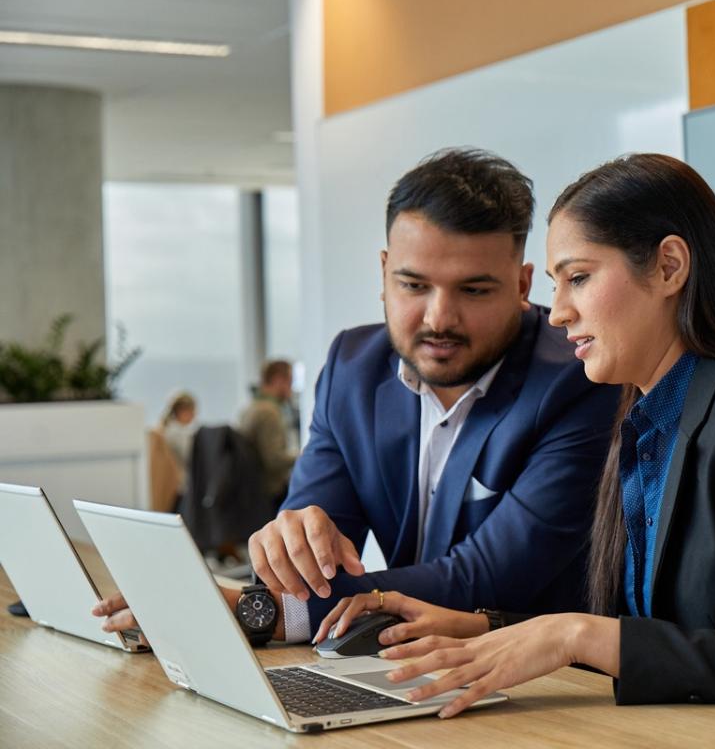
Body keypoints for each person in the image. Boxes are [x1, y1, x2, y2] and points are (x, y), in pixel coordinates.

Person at [318, 154, 715, 748]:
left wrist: (575, 633)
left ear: (669, 267)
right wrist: (488, 628)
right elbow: (661, 628)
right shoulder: (642, 410)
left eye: (579, 278)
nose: (558, 310)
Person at [95, 148, 620, 643]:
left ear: (523, 284)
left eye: (474, 290)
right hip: (390, 661)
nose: (438, 318)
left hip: (540, 687)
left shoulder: (578, 382)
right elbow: (304, 571)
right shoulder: (353, 368)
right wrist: (290, 545)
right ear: (384, 273)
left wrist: (254, 614)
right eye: (413, 286)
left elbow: (484, 578)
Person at [238, 360, 298, 508]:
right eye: (290, 382)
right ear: (278, 380)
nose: (291, 389)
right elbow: (274, 459)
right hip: (270, 495)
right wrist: (305, 455)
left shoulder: (250, 408)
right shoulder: (269, 412)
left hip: (252, 493)